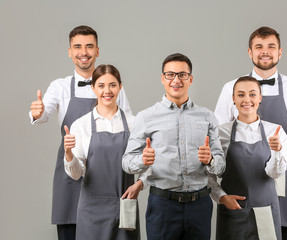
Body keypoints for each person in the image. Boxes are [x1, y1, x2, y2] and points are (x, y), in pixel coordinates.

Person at [214, 26, 287, 240]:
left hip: (282, 182)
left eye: (271, 46)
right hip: (242, 186)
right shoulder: (231, 88)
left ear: (280, 52)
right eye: (259, 47)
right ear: (250, 52)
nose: (265, 51)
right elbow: (217, 136)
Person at [29, 25, 132, 240]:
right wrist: (37, 113)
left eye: (89, 46)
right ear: (69, 51)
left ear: (97, 51)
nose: (83, 52)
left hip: (109, 181)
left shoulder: (111, 86)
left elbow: (130, 130)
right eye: (77, 46)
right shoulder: (60, 87)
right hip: (71, 172)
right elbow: (45, 112)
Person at [122, 53, 225, 240]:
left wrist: (210, 160)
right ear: (162, 78)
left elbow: (221, 165)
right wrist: (142, 161)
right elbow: (127, 162)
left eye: (182, 75)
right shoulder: (146, 117)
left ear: (190, 79)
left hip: (199, 206)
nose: (176, 80)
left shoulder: (207, 116)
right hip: (162, 206)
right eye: (170, 75)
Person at [63, 64, 141, 240]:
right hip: (92, 209)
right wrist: (68, 153)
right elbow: (76, 175)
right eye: (101, 85)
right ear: (93, 88)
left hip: (124, 205)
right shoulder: (81, 125)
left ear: (120, 87)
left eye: (112, 85)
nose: (107, 90)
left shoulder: (134, 123)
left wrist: (140, 183)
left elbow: (146, 164)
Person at [209, 76, 287, 240]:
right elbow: (207, 176)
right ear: (233, 98)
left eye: (252, 94)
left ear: (260, 98)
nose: (247, 100)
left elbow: (274, 174)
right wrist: (222, 197)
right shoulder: (220, 133)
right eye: (240, 94)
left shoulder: (276, 132)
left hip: (266, 210)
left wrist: (277, 151)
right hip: (233, 212)